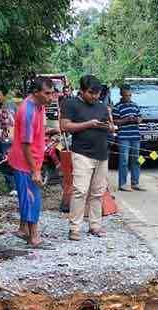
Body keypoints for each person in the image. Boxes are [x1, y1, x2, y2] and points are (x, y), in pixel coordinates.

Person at [60, 74, 114, 241]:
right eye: (91, 93)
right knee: (80, 191)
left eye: (97, 93)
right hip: (82, 153)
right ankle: (74, 228)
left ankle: (95, 225)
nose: (95, 96)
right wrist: (89, 124)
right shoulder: (71, 104)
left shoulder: (102, 107)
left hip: (102, 154)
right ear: (82, 91)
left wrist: (110, 127)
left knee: (98, 192)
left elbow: (109, 125)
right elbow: (64, 126)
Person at [7, 77, 54, 248]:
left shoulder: (39, 106)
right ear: (36, 92)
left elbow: (34, 132)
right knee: (32, 198)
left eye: (52, 93)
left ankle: (23, 229)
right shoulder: (28, 110)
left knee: (26, 196)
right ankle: (34, 237)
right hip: (25, 163)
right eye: (47, 93)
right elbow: (26, 144)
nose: (51, 97)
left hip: (31, 160)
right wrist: (35, 171)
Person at [113, 85, 145, 192]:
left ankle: (135, 183)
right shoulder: (117, 107)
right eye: (126, 95)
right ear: (121, 94)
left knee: (136, 160)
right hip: (123, 137)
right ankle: (122, 184)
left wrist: (137, 119)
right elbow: (114, 121)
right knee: (124, 161)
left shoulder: (135, 106)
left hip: (135, 136)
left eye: (130, 95)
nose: (128, 97)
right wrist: (126, 120)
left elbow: (140, 117)